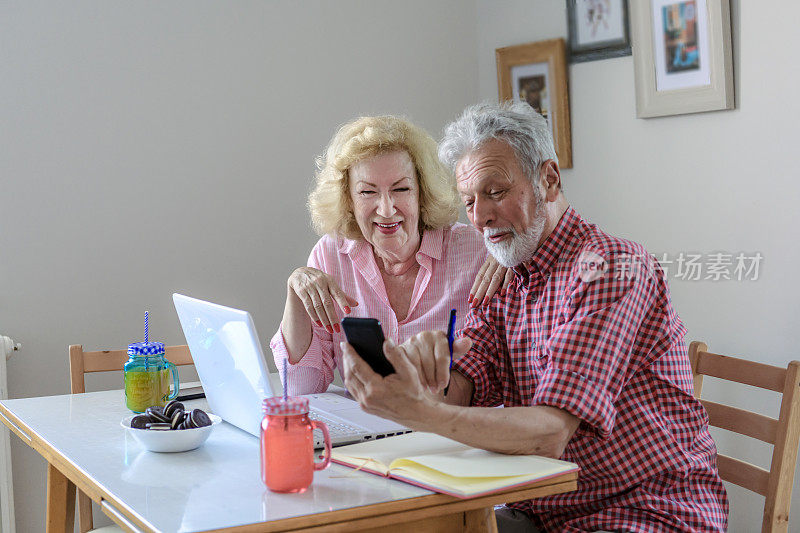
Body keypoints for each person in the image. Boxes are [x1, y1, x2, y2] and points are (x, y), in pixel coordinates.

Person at [340, 102, 729, 532]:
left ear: (548, 180)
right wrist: (425, 379)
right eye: (469, 201)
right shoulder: (506, 274)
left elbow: (549, 433)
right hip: (545, 511)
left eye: (496, 192)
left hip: (647, 512)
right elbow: (464, 387)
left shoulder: (611, 267)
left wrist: (418, 412)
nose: (481, 217)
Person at [270, 115, 508, 394]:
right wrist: (295, 292)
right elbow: (300, 387)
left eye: (401, 189)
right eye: (367, 192)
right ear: (348, 199)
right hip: (370, 434)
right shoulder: (330, 255)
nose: (386, 209)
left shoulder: (477, 251)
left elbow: (501, 377)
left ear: (422, 191)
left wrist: (508, 255)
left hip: (449, 430)